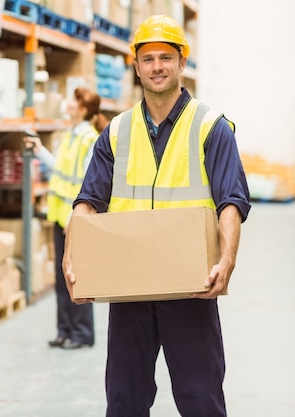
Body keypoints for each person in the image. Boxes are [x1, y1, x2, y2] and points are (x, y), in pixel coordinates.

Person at [62, 15, 251, 417]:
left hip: (190, 287)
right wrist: (72, 252)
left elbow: (231, 201)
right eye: (148, 59)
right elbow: (87, 201)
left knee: (201, 401)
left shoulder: (210, 127)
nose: (157, 67)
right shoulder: (115, 131)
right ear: (136, 65)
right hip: (130, 290)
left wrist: (227, 259)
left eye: (166, 57)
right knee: (124, 401)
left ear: (182, 62)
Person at [24, 87, 107, 349]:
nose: (67, 103)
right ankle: (65, 331)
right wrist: (39, 150)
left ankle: (82, 333)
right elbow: (61, 169)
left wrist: (76, 218)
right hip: (60, 217)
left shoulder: (89, 139)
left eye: (73, 99)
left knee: (77, 277)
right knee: (61, 278)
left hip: (74, 219)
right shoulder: (69, 136)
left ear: (82, 108)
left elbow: (87, 182)